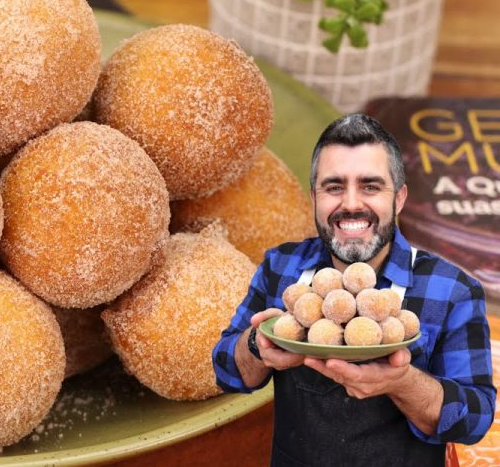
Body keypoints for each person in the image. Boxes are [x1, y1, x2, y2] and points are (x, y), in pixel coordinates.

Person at [212, 114, 496, 466]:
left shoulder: (452, 289)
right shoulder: (281, 267)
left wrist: (402, 382)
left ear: (399, 199)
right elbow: (225, 370)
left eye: (370, 187)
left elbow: (475, 419)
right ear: (314, 198)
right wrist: (257, 345)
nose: (350, 204)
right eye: (334, 187)